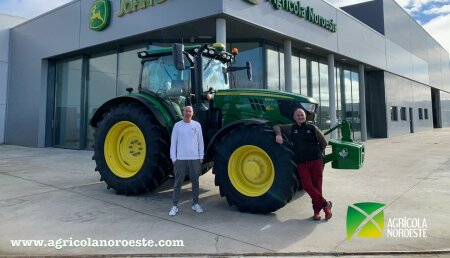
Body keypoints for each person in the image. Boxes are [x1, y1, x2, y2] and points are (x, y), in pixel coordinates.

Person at [273, 108, 332, 220]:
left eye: (302, 115)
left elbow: (323, 142)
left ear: (305, 116)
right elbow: (276, 127)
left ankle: (317, 212)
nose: (300, 117)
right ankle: (325, 204)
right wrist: (278, 135)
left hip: (316, 162)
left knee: (317, 187)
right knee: (307, 186)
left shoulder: (312, 128)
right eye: (298, 115)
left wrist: (317, 153)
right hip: (302, 164)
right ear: (294, 117)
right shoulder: (291, 128)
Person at [169, 105, 205, 216]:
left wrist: (201, 156)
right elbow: (173, 142)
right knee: (178, 183)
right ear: (183, 112)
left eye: (190, 111)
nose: (188, 113)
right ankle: (175, 206)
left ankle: (195, 204)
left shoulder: (197, 125)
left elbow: (200, 142)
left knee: (195, 182)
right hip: (180, 159)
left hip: (194, 159)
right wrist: (173, 158)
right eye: (186, 111)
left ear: (192, 113)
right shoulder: (177, 126)